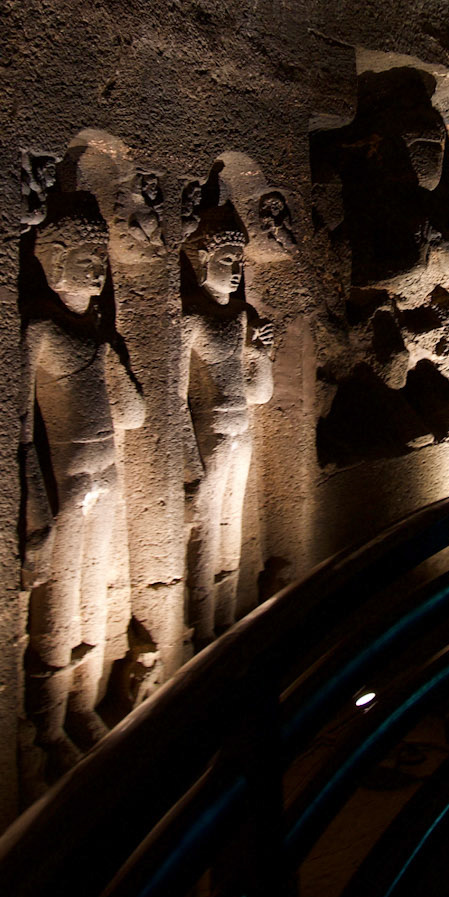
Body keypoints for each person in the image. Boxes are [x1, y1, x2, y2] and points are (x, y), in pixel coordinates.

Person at [21, 212, 144, 763]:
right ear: (51, 263)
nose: (97, 273)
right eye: (85, 262)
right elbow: (19, 428)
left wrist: (114, 359)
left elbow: (134, 415)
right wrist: (32, 507)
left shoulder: (94, 337)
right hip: (69, 479)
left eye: (101, 264)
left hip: (106, 472)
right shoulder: (41, 332)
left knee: (94, 594)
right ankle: (48, 729)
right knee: (60, 601)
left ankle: (83, 705)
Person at [181, 212, 275, 644]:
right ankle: (201, 627)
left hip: (241, 428)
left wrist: (259, 354)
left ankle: (226, 622)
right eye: (227, 260)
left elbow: (259, 394)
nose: (236, 271)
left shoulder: (240, 318)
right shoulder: (193, 321)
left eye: (239, 261)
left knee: (230, 523)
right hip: (212, 432)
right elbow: (175, 401)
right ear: (202, 259)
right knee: (206, 524)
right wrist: (188, 467)